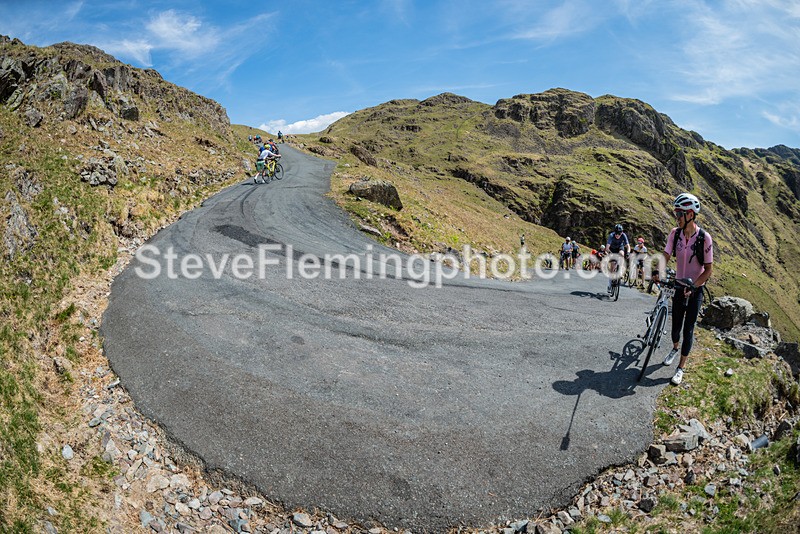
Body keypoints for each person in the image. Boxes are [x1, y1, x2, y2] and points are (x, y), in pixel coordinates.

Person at [662, 193, 713, 385]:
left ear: (690, 214)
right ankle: (675, 348)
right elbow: (666, 254)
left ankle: (680, 368)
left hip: (695, 290)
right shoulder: (675, 234)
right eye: (676, 213)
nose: (677, 217)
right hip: (678, 286)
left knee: (688, 330)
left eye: (679, 214)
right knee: (675, 328)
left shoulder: (704, 238)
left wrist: (694, 286)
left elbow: (708, 270)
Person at [606, 224, 630, 293]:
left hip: (620, 247)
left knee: (622, 254)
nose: (617, 235)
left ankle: (620, 270)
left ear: (621, 233)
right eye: (616, 233)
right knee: (612, 266)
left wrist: (628, 253)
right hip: (612, 249)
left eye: (619, 233)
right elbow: (607, 248)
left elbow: (628, 246)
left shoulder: (623, 235)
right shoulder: (611, 235)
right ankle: (610, 285)